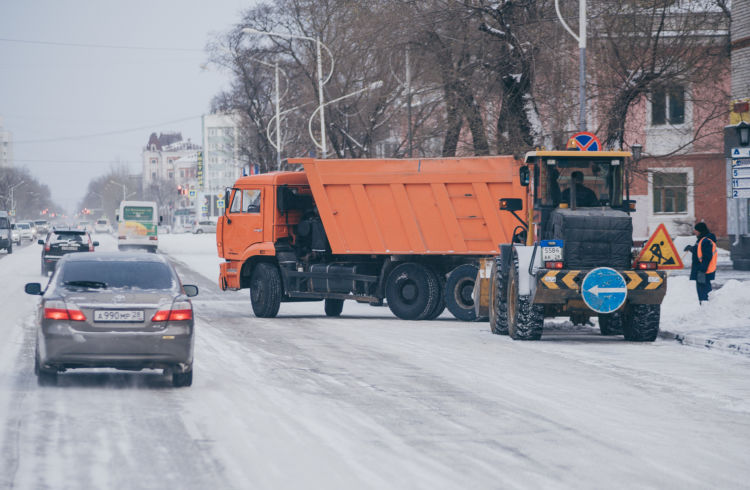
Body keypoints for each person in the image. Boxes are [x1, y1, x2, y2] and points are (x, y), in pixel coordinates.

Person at [684, 222, 717, 305]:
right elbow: (698, 250)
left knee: (703, 289)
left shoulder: (706, 241)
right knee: (701, 289)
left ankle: (706, 306)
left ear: (700, 231)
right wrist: (691, 248)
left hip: (703, 270)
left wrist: (702, 269)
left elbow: (707, 256)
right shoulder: (702, 240)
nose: (694, 231)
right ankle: (704, 305)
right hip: (701, 269)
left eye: (696, 230)